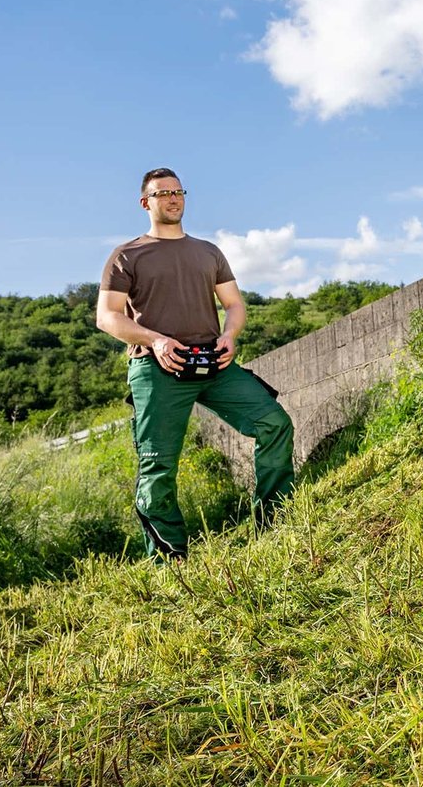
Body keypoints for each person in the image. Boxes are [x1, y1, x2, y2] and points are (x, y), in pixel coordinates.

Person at [95, 167, 295, 560]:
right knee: (158, 465)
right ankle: (169, 558)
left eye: (178, 191)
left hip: (213, 362)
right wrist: (155, 339)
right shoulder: (127, 255)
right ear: (145, 202)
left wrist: (229, 336)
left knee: (274, 423)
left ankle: (275, 520)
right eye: (162, 193)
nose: (172, 198)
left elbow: (234, 305)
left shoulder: (208, 252)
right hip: (157, 368)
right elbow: (108, 317)